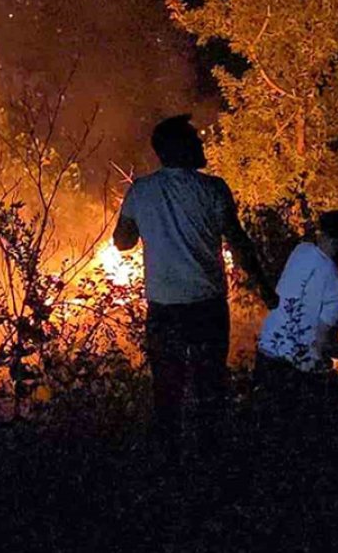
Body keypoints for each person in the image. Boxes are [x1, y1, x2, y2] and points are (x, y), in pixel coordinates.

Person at [113, 114, 276, 461]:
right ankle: (210, 462)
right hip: (207, 308)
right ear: (178, 148)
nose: (201, 143)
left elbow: (122, 242)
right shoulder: (213, 189)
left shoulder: (141, 191)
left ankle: (169, 464)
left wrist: (149, 224)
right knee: (210, 388)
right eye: (194, 139)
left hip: (165, 309)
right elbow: (238, 242)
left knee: (167, 391)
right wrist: (264, 287)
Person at [254, 210, 338, 425]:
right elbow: (322, 343)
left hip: (267, 351)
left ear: (321, 233)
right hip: (298, 370)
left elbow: (312, 281)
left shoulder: (301, 251)